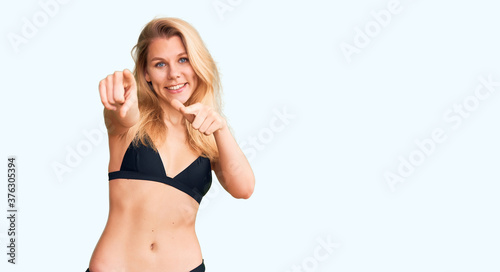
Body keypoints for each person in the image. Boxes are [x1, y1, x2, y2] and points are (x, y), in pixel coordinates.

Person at [85, 17, 255, 272]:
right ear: (146, 73)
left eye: (183, 59)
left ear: (197, 64)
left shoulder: (208, 135)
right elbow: (121, 116)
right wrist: (121, 103)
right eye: (160, 64)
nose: (174, 73)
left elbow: (244, 189)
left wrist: (221, 129)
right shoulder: (131, 123)